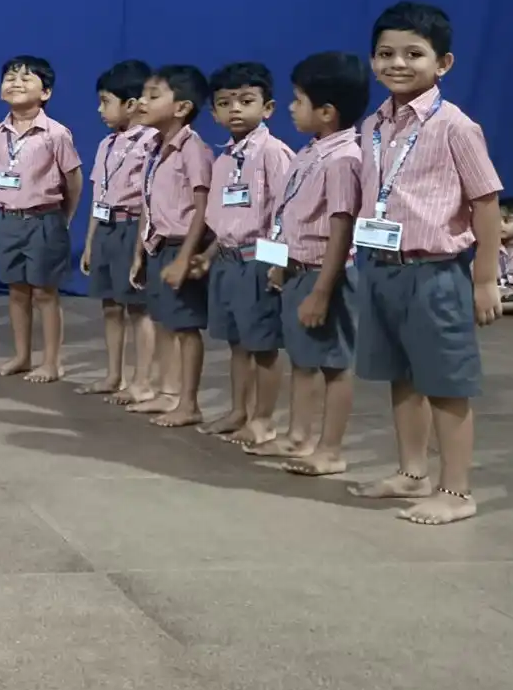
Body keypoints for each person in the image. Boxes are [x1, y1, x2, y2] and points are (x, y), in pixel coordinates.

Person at [348, 1, 502, 525]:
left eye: (414, 54)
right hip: (382, 266)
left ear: (443, 63)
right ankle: (411, 472)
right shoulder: (373, 125)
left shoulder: (454, 126)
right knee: (402, 375)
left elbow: (485, 202)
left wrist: (485, 278)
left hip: (434, 271)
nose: (398, 63)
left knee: (446, 382)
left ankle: (456, 491)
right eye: (385, 53)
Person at [252, 51, 368, 475]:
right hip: (296, 269)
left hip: (325, 275)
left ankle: (330, 448)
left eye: (298, 100)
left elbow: (341, 229)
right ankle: (298, 436)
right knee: (302, 359)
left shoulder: (343, 159)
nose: (290, 107)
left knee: (335, 365)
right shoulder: (310, 152)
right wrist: (279, 263)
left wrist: (322, 291)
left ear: (327, 111)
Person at [192, 62, 295, 445]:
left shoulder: (273, 153)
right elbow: (225, 219)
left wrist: (278, 265)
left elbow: (286, 213)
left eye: (246, 101)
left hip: (260, 260)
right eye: (224, 103)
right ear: (214, 113)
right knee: (237, 342)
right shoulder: (224, 159)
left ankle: (263, 420)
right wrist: (208, 254)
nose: (235, 109)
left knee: (263, 345)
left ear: (267, 108)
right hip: (228, 261)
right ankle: (239, 411)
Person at [0, 55, 83, 382]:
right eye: (10, 78)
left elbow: (73, 180)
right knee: (17, 291)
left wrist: (63, 218)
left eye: (26, 78)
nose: (16, 83)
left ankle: (52, 362)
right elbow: (1, 171)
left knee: (44, 293)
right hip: (7, 220)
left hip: (44, 220)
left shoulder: (56, 134)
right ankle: (22, 356)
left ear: (46, 93)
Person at [129, 65, 213, 427]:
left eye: (153, 96)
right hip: (158, 246)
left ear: (181, 107)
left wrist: (185, 257)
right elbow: (148, 203)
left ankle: (188, 402)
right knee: (164, 321)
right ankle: (166, 392)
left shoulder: (193, 149)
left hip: (181, 247)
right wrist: (140, 252)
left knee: (186, 328)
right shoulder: (153, 147)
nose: (142, 102)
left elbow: (202, 208)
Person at [79, 60, 158, 400]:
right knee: (110, 305)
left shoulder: (152, 142)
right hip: (106, 228)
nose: (100, 110)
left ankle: (143, 381)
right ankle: (114, 375)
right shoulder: (106, 144)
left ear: (131, 104)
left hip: (132, 227)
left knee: (138, 307)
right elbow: (98, 194)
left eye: (105, 101)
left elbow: (150, 198)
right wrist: (89, 242)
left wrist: (141, 246)